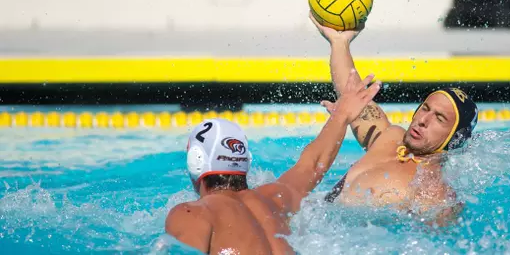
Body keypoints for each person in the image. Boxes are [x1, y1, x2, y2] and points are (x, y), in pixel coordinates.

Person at [165, 70, 381, 254]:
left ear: (196, 161)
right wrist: (341, 115)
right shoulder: (277, 198)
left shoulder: (191, 214)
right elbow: (312, 165)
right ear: (245, 160)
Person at [309, 13, 478, 226]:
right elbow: (351, 95)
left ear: (455, 138)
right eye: (425, 108)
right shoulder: (390, 136)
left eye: (440, 118)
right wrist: (339, 42)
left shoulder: (435, 195)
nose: (423, 119)